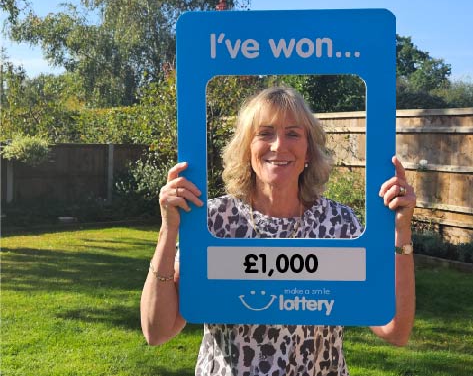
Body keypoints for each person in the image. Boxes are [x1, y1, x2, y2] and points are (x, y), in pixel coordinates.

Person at [141, 86, 416, 375]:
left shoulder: (340, 224)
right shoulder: (215, 221)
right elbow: (158, 331)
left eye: (293, 134)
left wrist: (401, 232)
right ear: (247, 147)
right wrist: (169, 229)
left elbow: (395, 330)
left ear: (309, 150)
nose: (278, 146)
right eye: (265, 133)